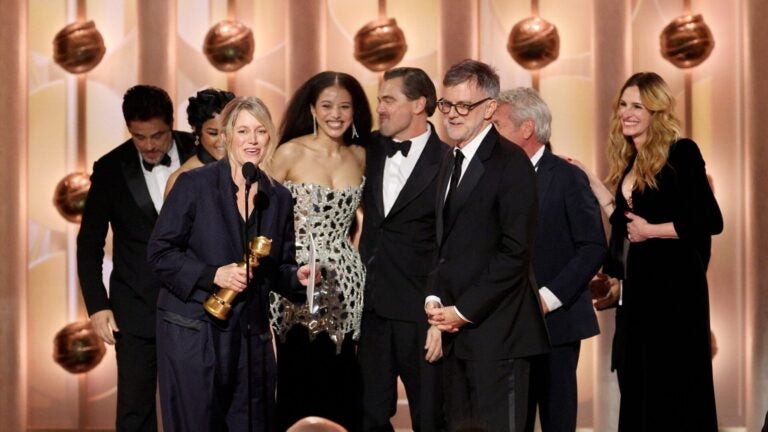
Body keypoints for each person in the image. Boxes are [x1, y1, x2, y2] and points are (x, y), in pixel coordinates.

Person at [147, 96, 314, 431]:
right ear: (226, 136)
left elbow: (278, 268)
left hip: (249, 338)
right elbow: (159, 254)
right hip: (193, 331)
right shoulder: (194, 185)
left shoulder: (277, 196)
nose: (252, 140)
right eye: (243, 131)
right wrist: (214, 274)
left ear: (270, 138)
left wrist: (300, 277)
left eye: (260, 131)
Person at [424, 59, 550, 432]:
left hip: (501, 337)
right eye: (446, 104)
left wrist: (462, 311)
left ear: (490, 108)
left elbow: (514, 253)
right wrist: (434, 299)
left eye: (464, 105)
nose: (452, 114)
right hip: (457, 338)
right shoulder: (450, 159)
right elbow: (444, 243)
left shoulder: (511, 164)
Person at [600, 72, 723, 431]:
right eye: (623, 104)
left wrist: (651, 231)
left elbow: (710, 220)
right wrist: (594, 187)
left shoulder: (681, 152)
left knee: (673, 391)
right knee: (639, 389)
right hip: (640, 294)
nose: (627, 112)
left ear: (656, 111)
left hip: (676, 292)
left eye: (637, 105)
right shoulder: (630, 161)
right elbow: (627, 226)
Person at [76, 84, 195, 431]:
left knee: (197, 404)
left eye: (157, 135)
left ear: (171, 125)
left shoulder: (199, 152)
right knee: (134, 409)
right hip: (135, 308)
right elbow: (89, 244)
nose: (149, 146)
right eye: (139, 137)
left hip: (196, 303)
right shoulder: (111, 168)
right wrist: (97, 306)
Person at [492, 87, 607, 432]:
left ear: (526, 128)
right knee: (513, 420)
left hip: (556, 323)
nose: (490, 132)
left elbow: (592, 246)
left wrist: (547, 298)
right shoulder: (490, 177)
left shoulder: (568, 176)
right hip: (505, 325)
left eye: (497, 124)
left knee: (558, 418)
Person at [265, 71, 372, 431]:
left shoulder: (360, 155)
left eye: (344, 106)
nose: (336, 114)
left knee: (343, 380)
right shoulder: (288, 152)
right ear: (312, 108)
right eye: (327, 105)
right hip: (298, 280)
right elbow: (261, 216)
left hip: (347, 282)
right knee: (299, 377)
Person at [357, 67, 450, 432]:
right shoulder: (367, 150)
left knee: (431, 418)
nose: (379, 108)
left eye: (388, 99)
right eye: (380, 99)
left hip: (421, 313)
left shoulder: (448, 161)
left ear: (419, 104)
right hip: (373, 309)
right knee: (370, 416)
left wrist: (441, 319)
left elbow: (452, 246)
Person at [164, 88, 235, 196]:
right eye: (213, 133)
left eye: (227, 132)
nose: (222, 140)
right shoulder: (180, 180)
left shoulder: (246, 170)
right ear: (197, 131)